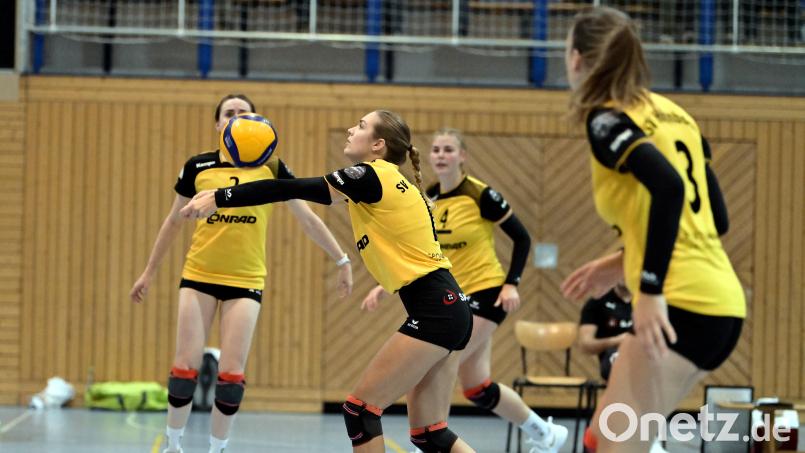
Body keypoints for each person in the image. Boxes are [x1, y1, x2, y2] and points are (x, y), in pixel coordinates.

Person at [180, 110, 476, 453]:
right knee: (430, 434)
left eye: (362, 126)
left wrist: (220, 196)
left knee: (360, 410)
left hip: (436, 310)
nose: (352, 129)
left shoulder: (369, 175)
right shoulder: (392, 184)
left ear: (378, 145)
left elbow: (290, 188)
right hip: (450, 307)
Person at [559, 7, 745, 453]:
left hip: (681, 305)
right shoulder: (677, 115)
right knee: (604, 439)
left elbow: (668, 186)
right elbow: (714, 220)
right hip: (720, 301)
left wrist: (649, 289)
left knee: (616, 444)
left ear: (578, 59)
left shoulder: (606, 118)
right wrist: (620, 261)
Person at [129, 94, 354, 453]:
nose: (237, 117)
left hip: (246, 281)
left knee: (231, 376)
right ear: (219, 125)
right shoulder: (198, 167)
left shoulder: (272, 168)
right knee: (184, 367)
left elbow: (308, 219)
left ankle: (218, 448)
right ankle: (173, 445)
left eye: (245, 113)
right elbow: (172, 222)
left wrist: (342, 261)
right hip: (199, 275)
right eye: (229, 113)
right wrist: (148, 272)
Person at [361, 128, 567, 453]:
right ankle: (546, 433)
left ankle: (427, 442)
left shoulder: (479, 194)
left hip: (486, 294)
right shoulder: (428, 195)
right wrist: (382, 286)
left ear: (463, 156)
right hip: (452, 298)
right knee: (477, 387)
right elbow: (420, 251)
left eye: (449, 150)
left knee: (430, 364)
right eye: (437, 150)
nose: (441, 155)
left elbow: (522, 238)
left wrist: (512, 283)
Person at [577, 283, 632, 382]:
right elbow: (585, 344)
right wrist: (616, 341)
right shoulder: (597, 302)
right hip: (613, 357)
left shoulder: (647, 302)